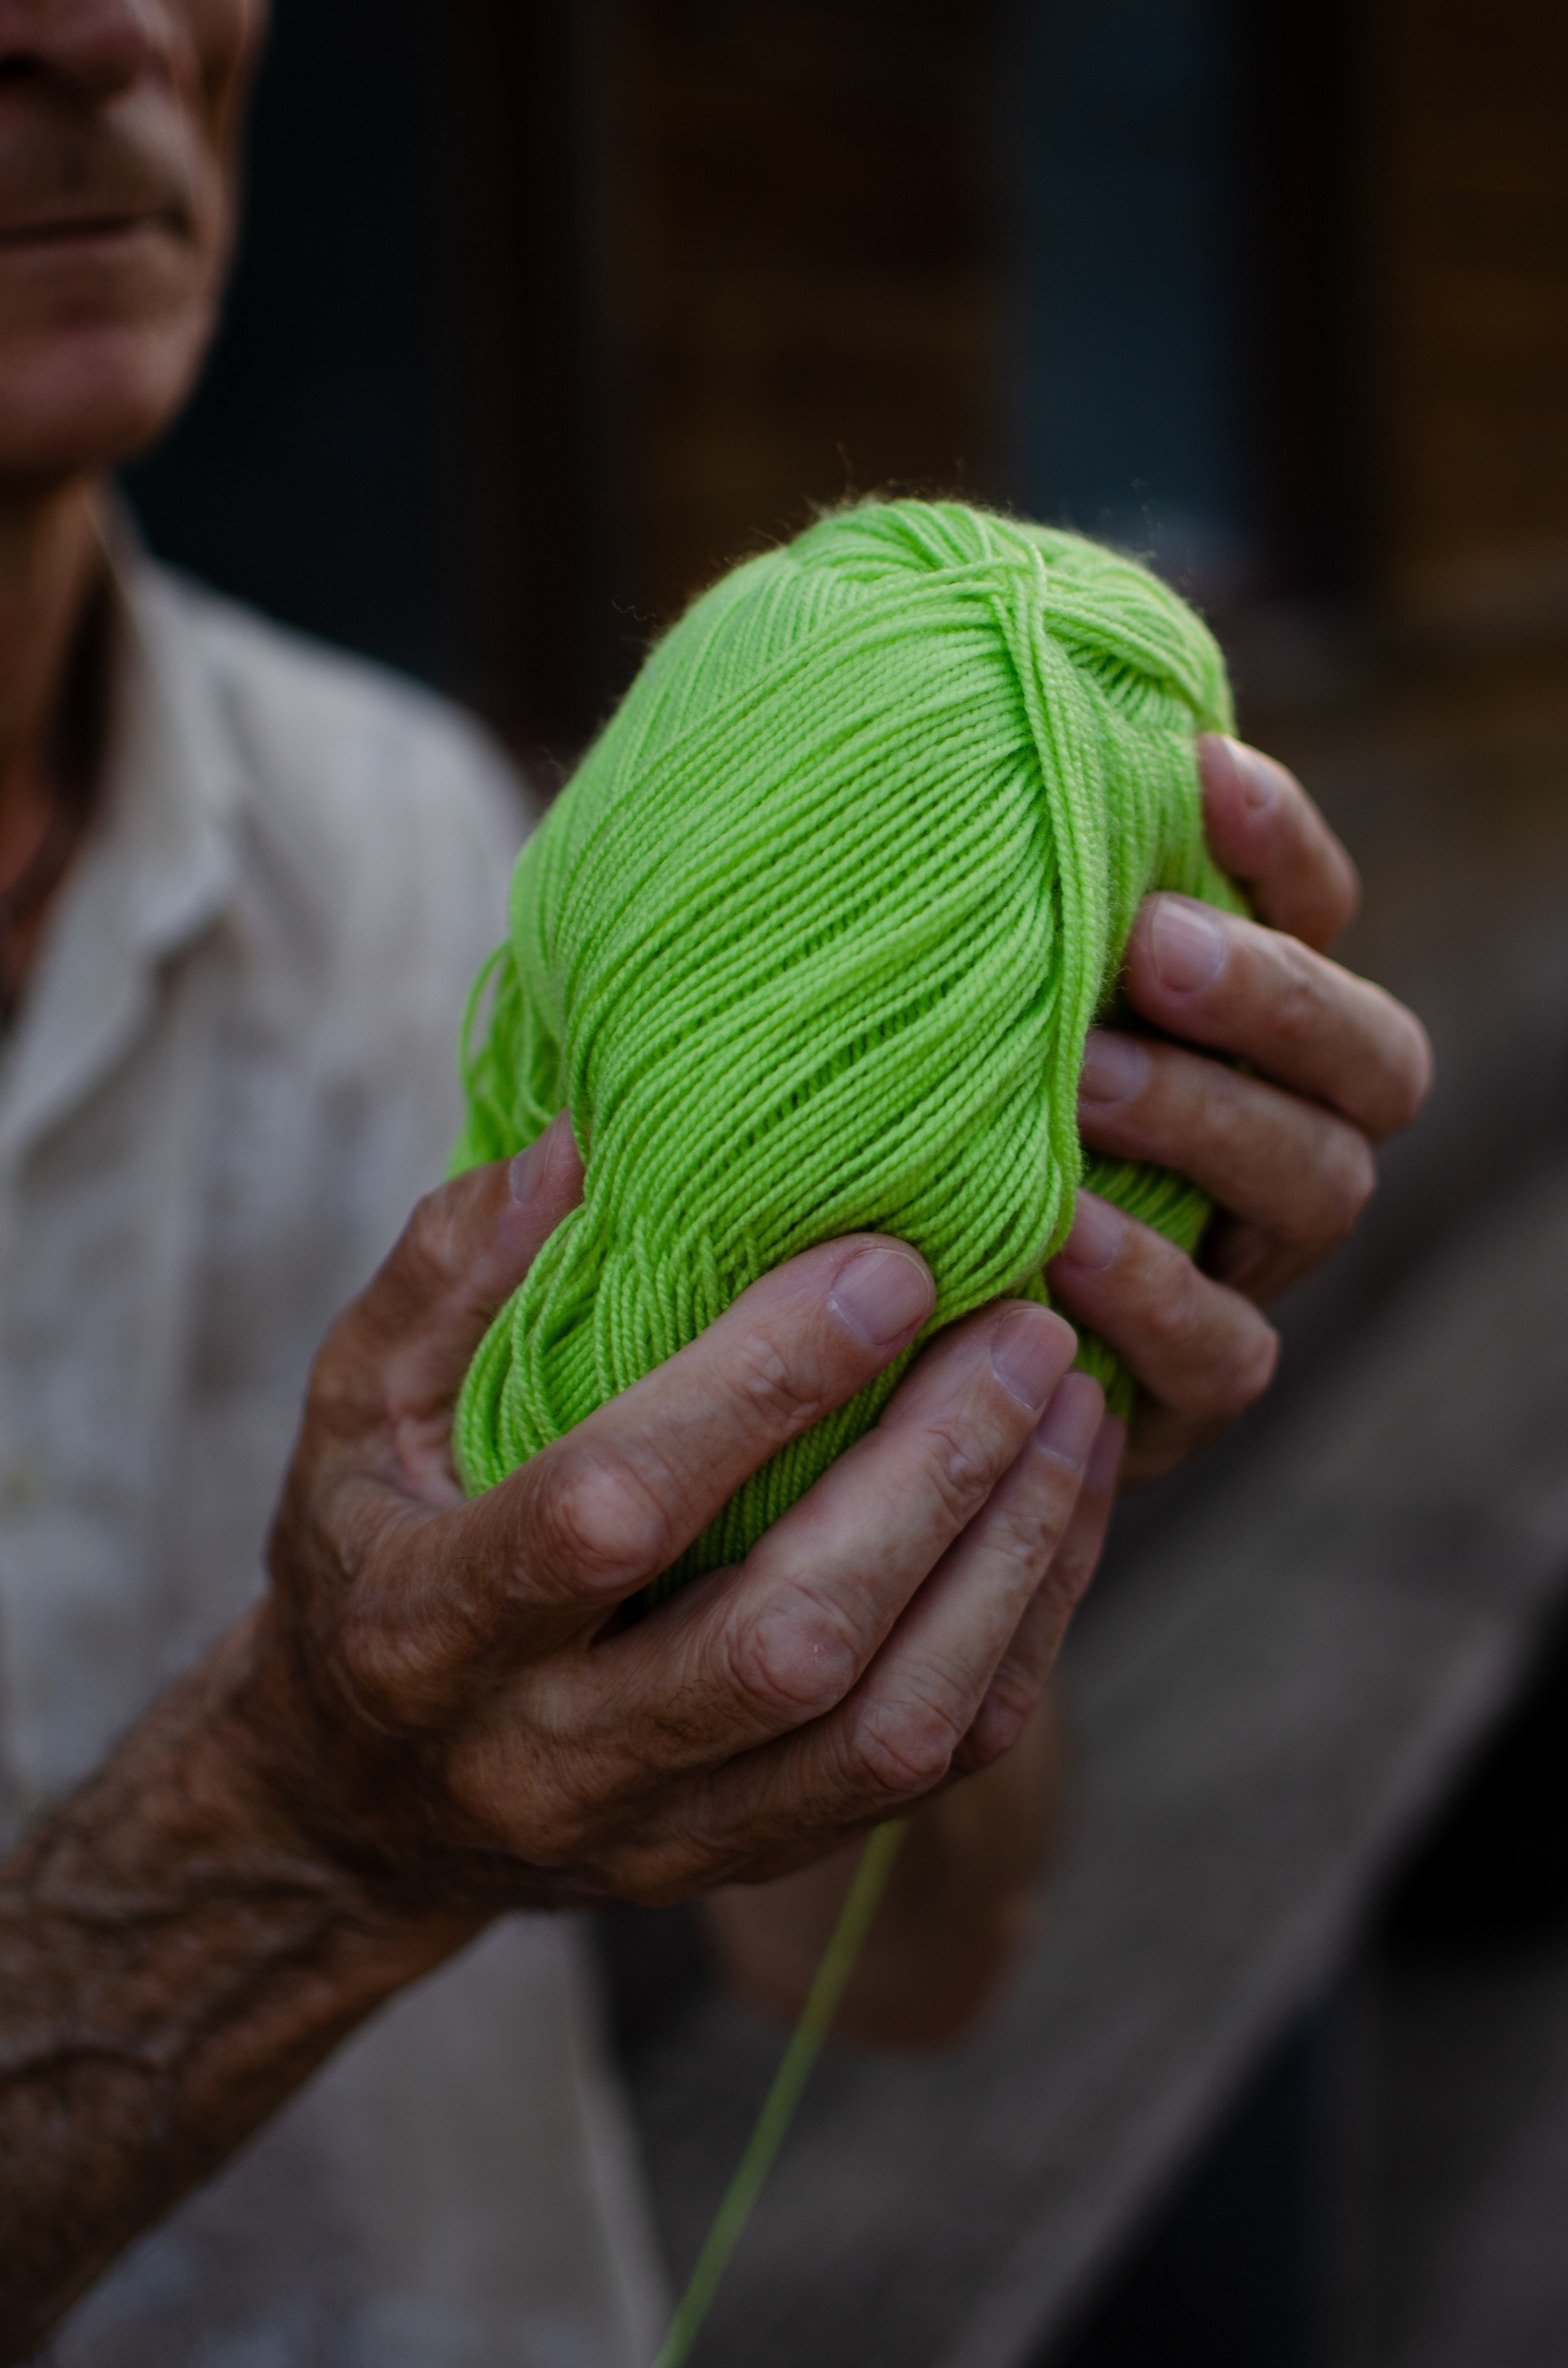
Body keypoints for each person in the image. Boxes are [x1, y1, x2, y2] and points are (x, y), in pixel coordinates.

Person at [0, 1, 1432, 2362]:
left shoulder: (422, 838)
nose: (112, 27)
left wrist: (978, 1434)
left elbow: (899, 1963)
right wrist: (301, 1828)